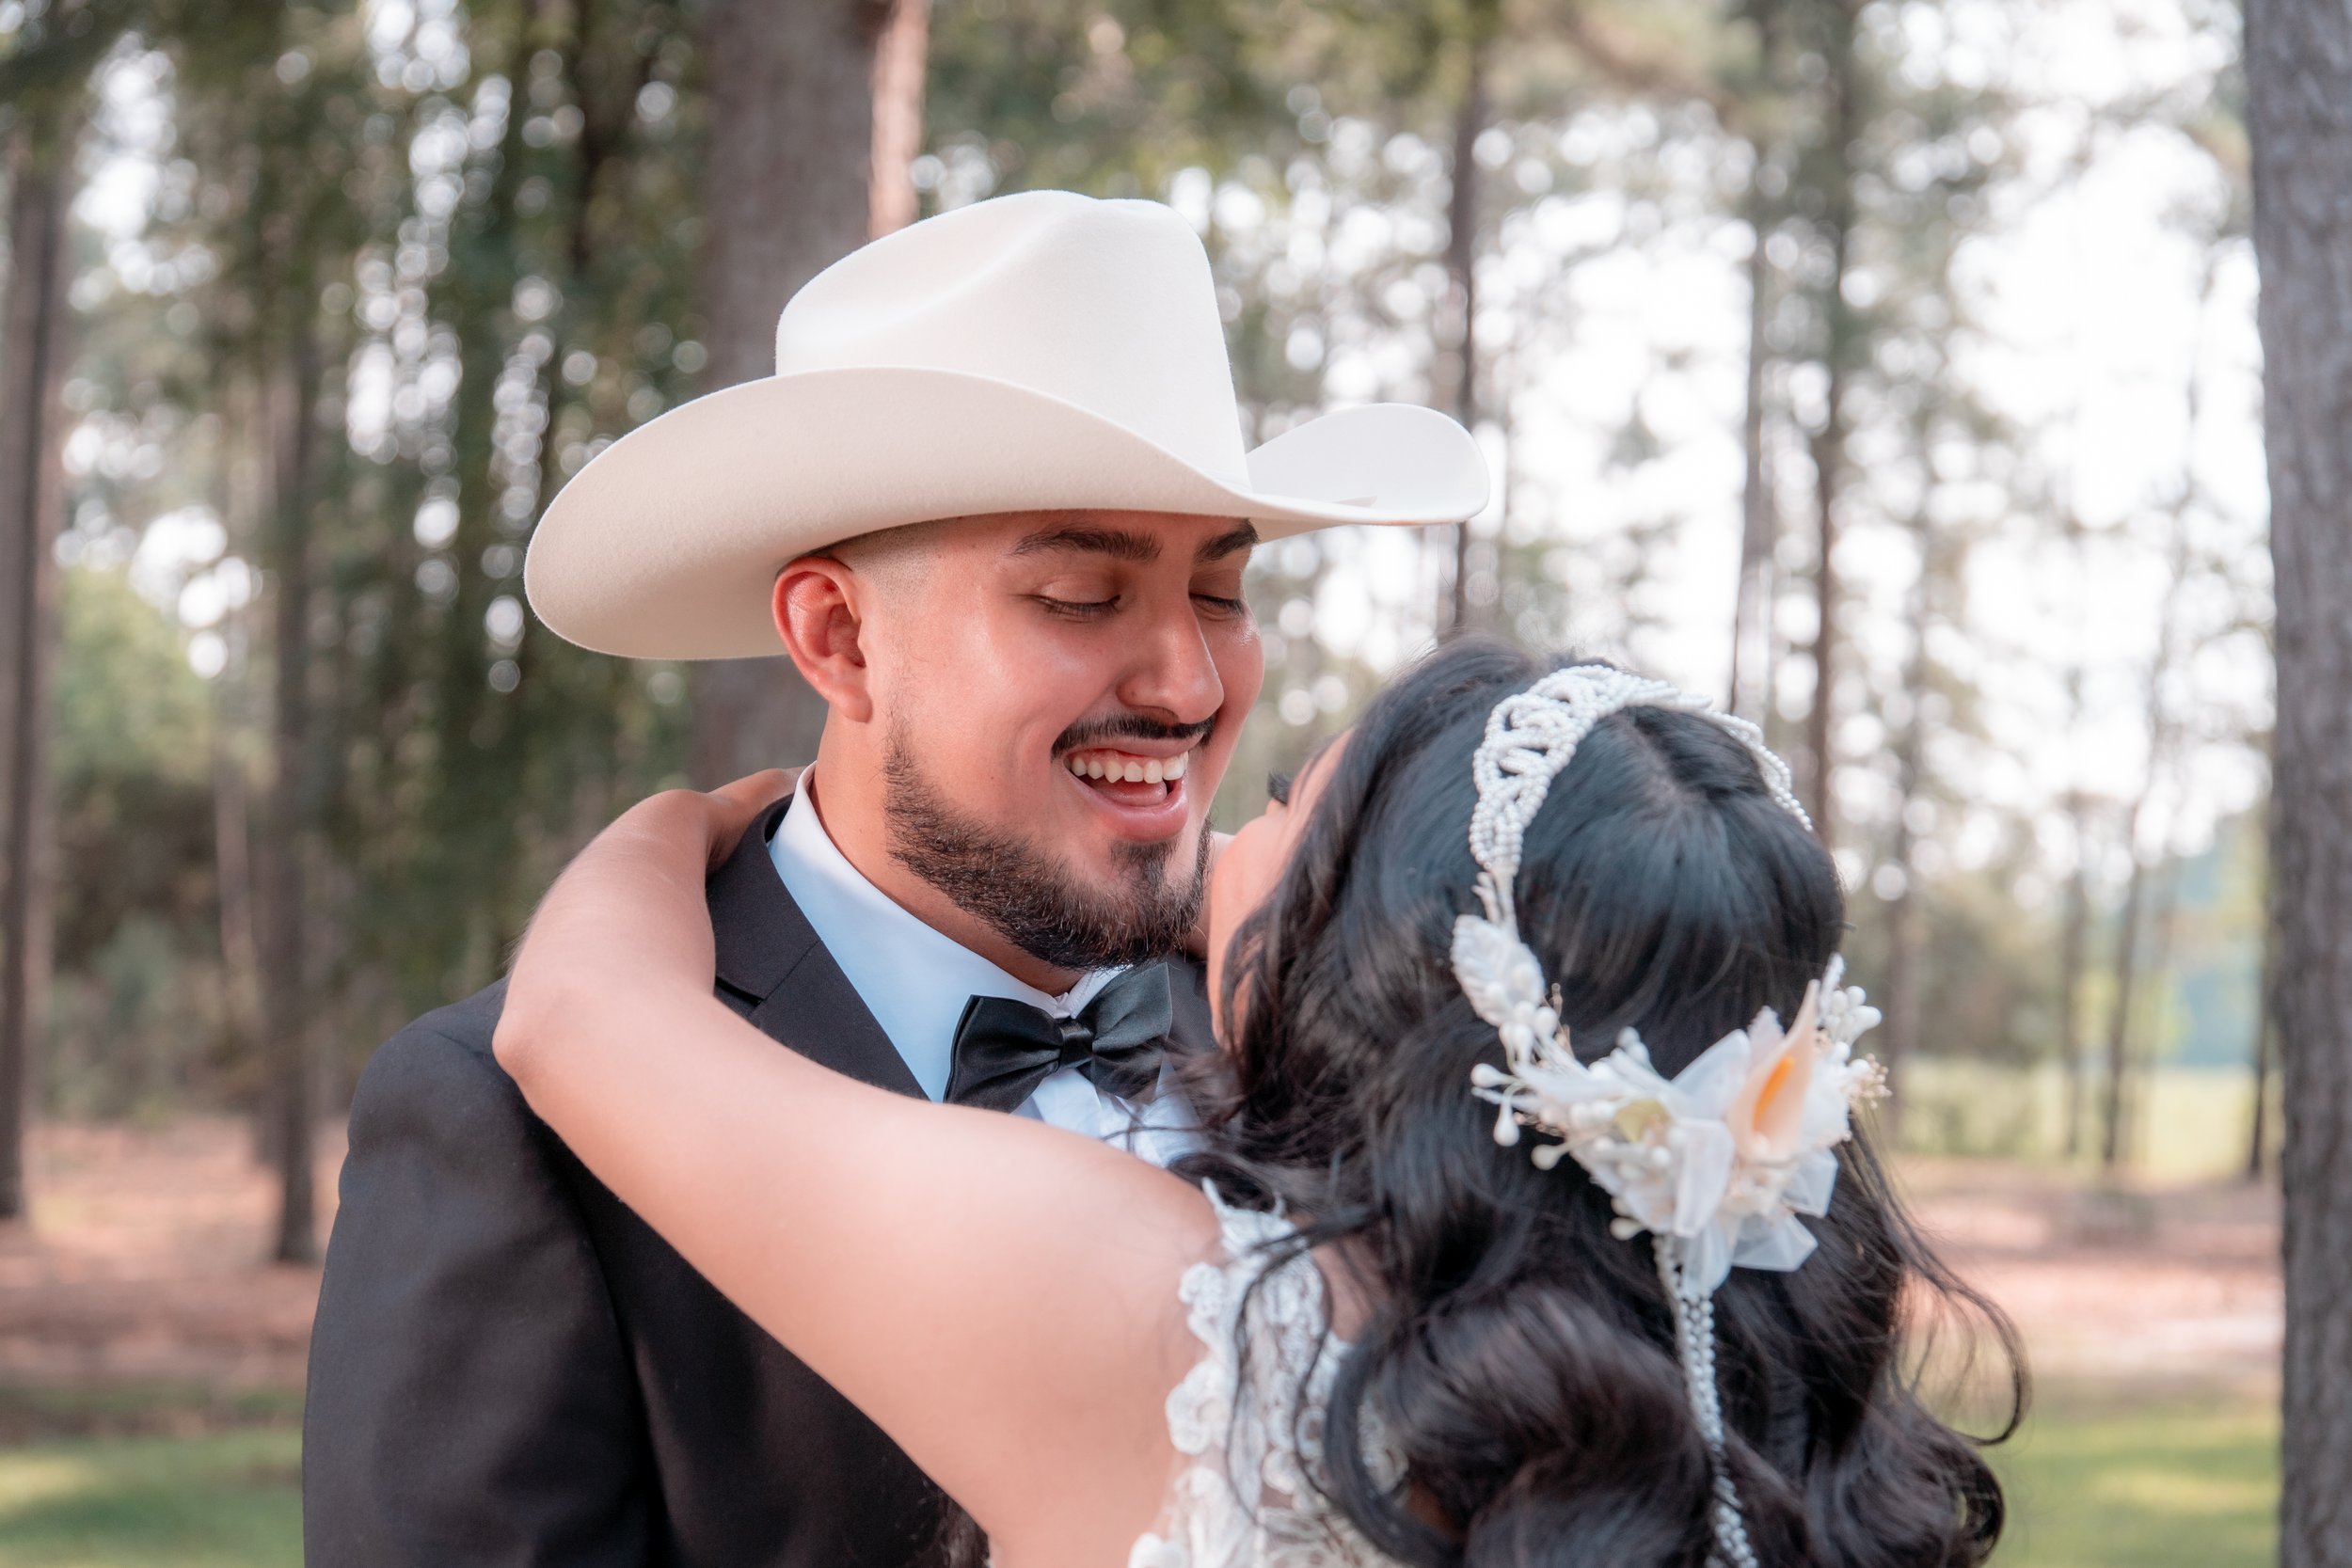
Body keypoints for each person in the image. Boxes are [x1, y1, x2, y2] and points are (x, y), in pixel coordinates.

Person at [300, 187, 1486, 1567]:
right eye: (1082, 599)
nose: (1189, 680)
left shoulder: (1342, 1030)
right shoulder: (507, 1124)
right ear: (839, 638)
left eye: (1220, 591)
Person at [493, 639, 2021, 1568]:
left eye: (1288, 809)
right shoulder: (1768, 1401)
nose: (1231, 829)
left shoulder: (1186, 1330)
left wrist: (702, 816)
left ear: (1371, 966)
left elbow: (576, 1018)